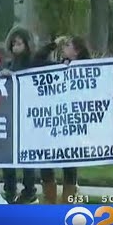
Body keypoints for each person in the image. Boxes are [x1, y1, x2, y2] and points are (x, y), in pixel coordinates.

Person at [34, 35, 91, 204]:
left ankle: (68, 200)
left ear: (76, 51)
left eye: (67, 45)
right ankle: (50, 200)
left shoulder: (88, 69)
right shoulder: (58, 66)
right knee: (46, 158)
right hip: (53, 120)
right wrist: (53, 44)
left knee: (70, 161)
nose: (64, 48)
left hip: (72, 121)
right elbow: (36, 60)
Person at [0, 25, 39, 204]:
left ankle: (29, 191)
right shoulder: (8, 64)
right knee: (8, 155)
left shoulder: (33, 63)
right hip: (10, 115)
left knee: (26, 156)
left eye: (19, 43)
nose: (15, 46)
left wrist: (13, 76)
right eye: (13, 43)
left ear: (27, 45)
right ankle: (10, 190)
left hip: (27, 116)